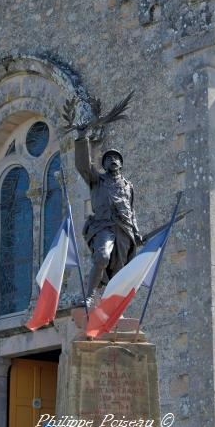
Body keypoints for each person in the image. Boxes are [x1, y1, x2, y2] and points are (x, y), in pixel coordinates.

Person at [75, 127, 142, 301]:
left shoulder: (129, 186)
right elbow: (83, 166)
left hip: (124, 230)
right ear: (103, 165)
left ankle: (112, 303)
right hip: (103, 225)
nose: (113, 160)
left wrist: (136, 232)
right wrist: (82, 139)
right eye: (108, 158)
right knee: (102, 256)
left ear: (121, 164)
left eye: (116, 158)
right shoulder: (97, 180)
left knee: (119, 269)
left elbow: (131, 209)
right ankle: (89, 296)